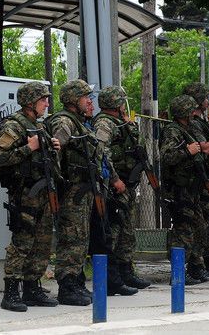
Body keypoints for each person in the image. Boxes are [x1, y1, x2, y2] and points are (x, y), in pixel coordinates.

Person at [46, 79, 125, 305]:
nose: (89, 101)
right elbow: (57, 143)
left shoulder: (82, 123)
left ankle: (76, 282)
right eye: (85, 98)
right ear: (73, 100)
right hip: (73, 192)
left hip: (86, 191)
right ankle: (67, 286)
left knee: (82, 240)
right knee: (72, 239)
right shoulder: (65, 120)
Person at [0, 82, 60, 312]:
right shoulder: (13, 126)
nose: (47, 104)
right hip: (26, 194)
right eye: (43, 100)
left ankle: (32, 287)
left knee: (42, 243)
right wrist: (28, 149)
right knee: (22, 242)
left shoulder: (39, 125)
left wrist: (53, 146)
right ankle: (11, 292)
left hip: (43, 193)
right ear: (30, 102)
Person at [93, 85, 149, 293]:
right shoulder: (104, 123)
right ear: (115, 103)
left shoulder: (120, 122)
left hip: (127, 186)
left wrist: (129, 125)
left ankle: (126, 272)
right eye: (122, 101)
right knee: (114, 232)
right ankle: (112, 279)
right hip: (115, 188)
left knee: (127, 232)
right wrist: (115, 179)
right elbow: (101, 153)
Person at [160, 95, 209, 284]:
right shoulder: (172, 131)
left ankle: (195, 267)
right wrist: (187, 152)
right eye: (190, 110)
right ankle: (178, 272)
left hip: (190, 189)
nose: (193, 113)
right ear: (183, 112)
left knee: (199, 227)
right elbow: (166, 157)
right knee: (183, 230)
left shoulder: (185, 129)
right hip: (179, 190)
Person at [182, 82, 209, 279]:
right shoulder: (195, 124)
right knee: (205, 224)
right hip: (201, 180)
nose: (208, 101)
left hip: (206, 178)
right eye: (205, 97)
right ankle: (204, 262)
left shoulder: (200, 122)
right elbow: (205, 148)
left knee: (207, 223)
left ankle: (206, 262)